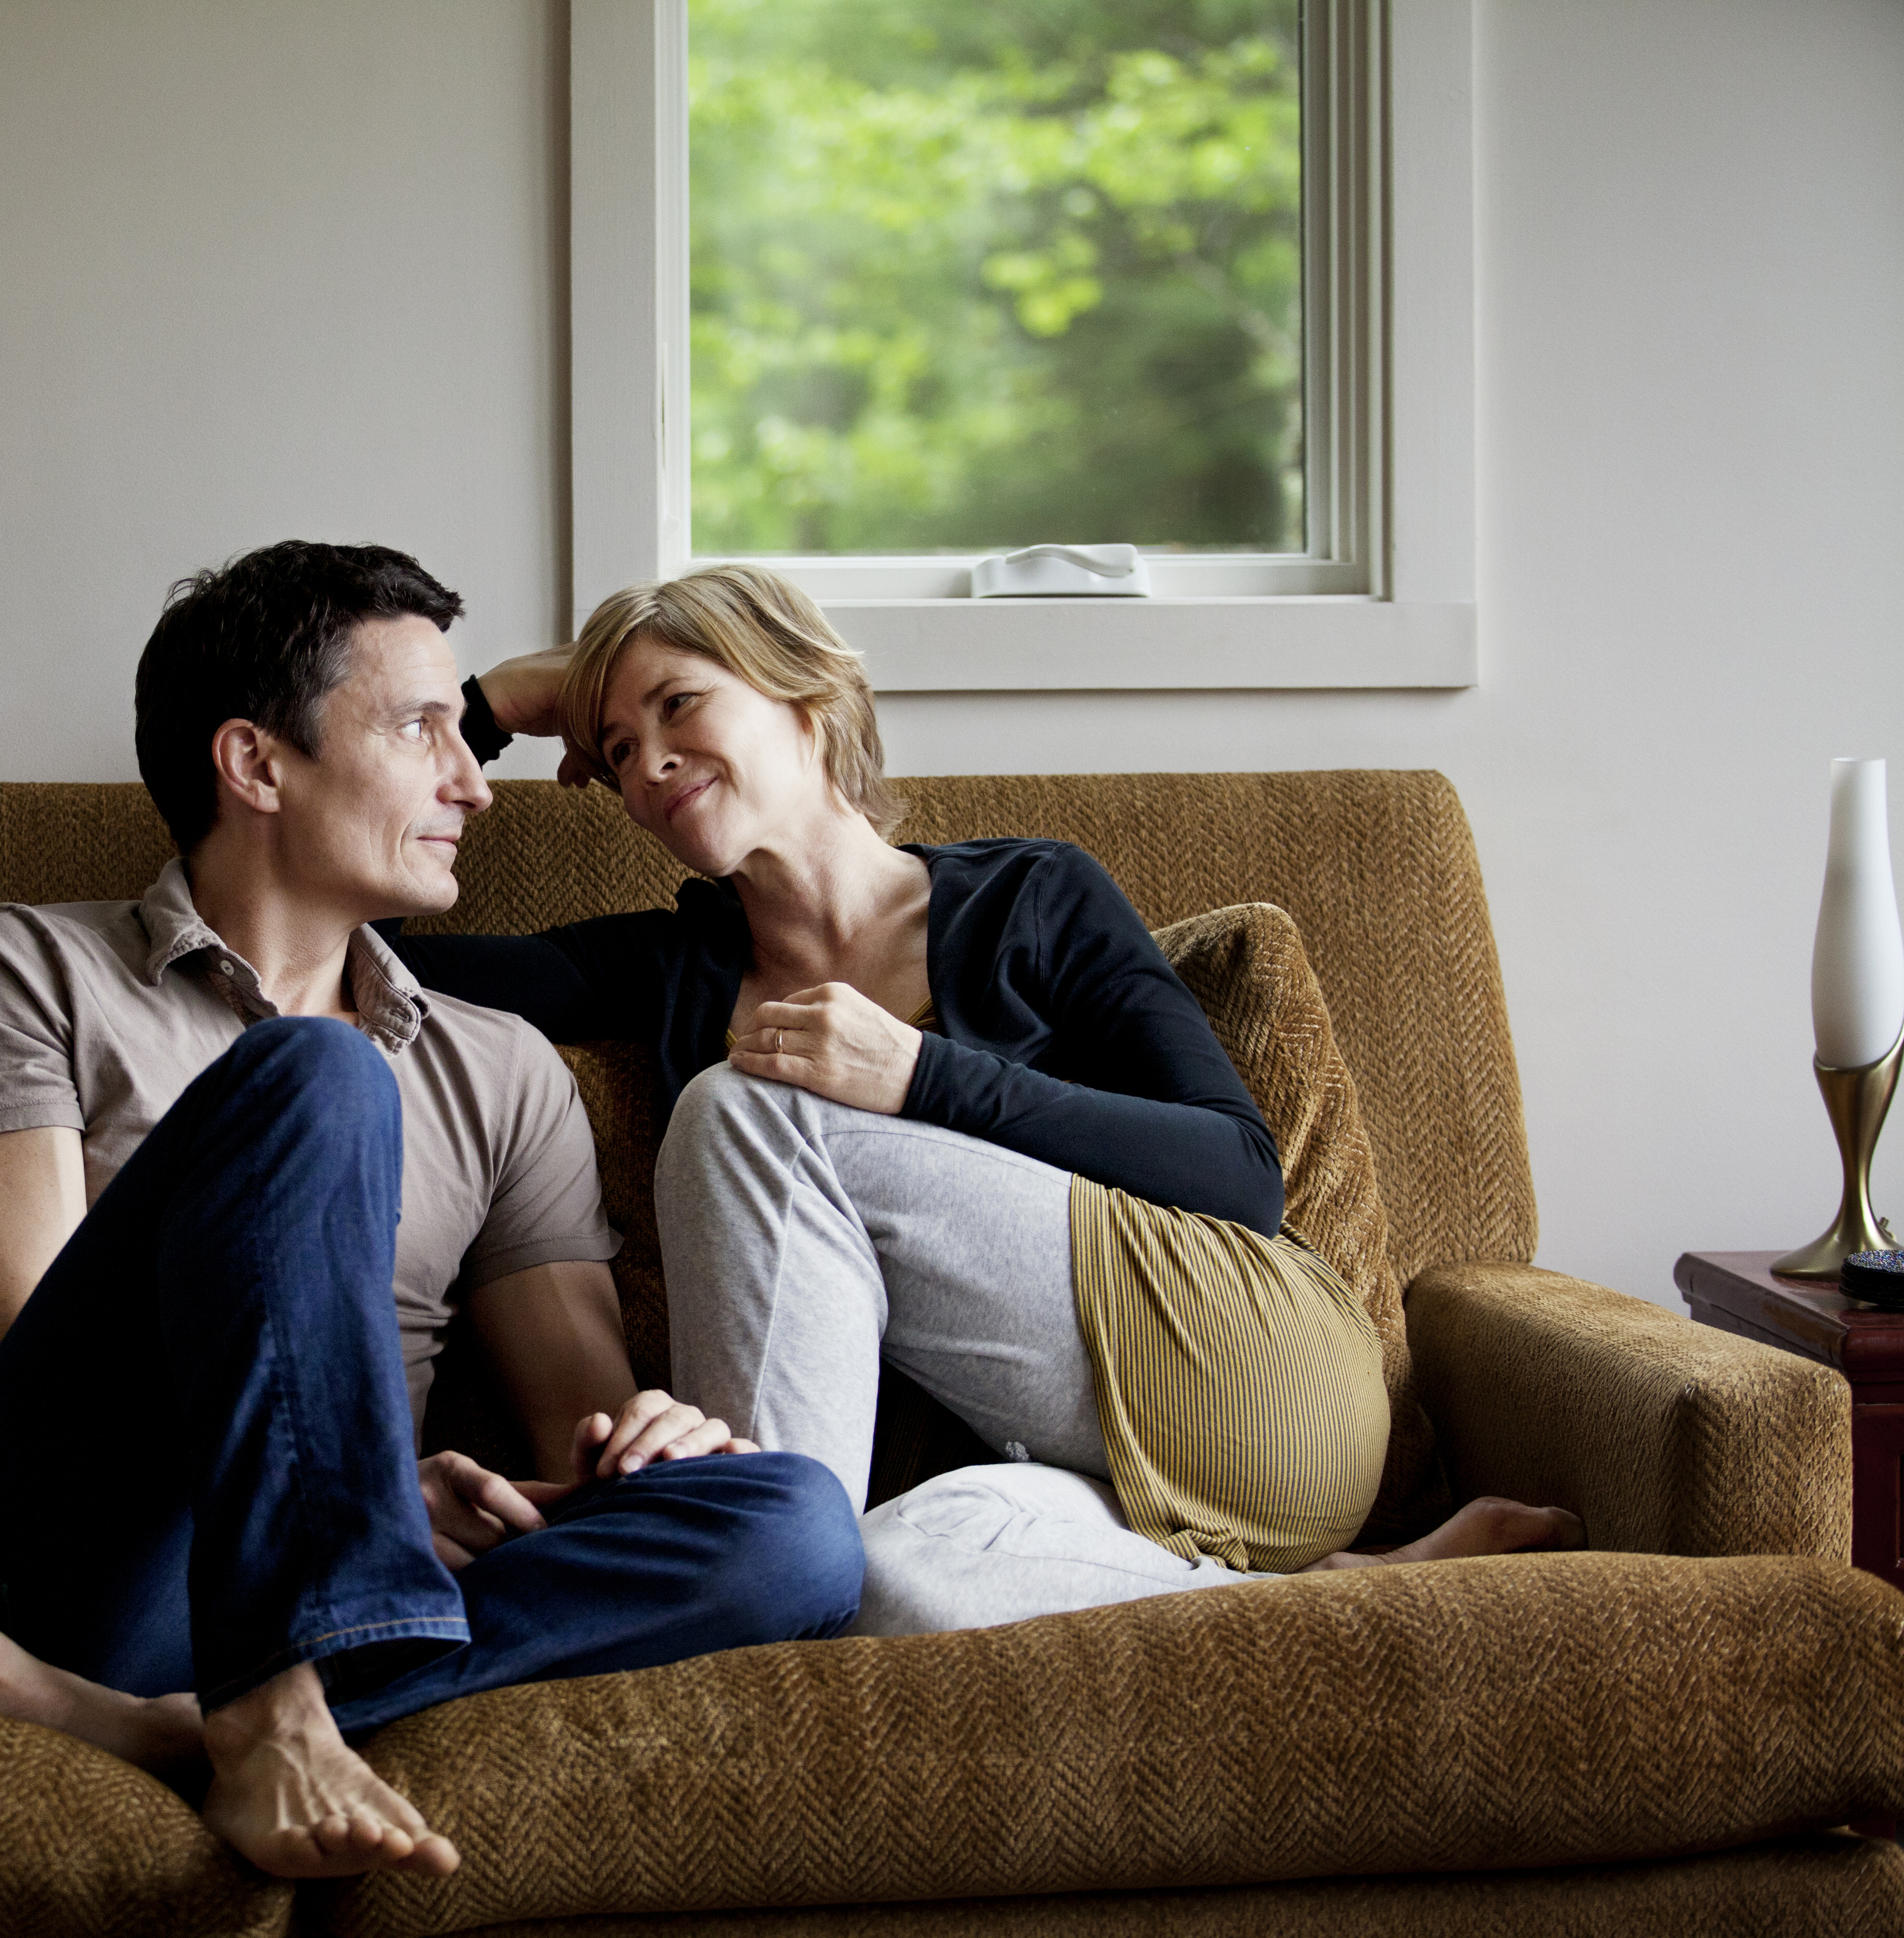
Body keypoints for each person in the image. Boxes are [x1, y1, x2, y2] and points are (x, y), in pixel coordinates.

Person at [0, 541, 861, 1883]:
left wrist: (645, 1445)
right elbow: (7, 1353)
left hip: (324, 1600)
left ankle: (175, 1730)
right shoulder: (26, 971)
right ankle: (262, 1711)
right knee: (319, 1077)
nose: (471, 784)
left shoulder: (497, 1069)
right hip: (43, 1560)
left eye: (468, 730)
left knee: (795, 1523)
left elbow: (569, 1440)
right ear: (258, 765)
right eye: (421, 729)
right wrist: (360, 1482)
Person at [389, 562, 1583, 1636]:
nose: (646, 761)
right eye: (612, 742)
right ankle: (1339, 1593)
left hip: (1251, 1365)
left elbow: (1238, 1173)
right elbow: (375, 942)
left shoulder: (1034, 895)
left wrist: (919, 1076)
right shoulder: (667, 966)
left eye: (679, 704)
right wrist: (495, 703)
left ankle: (731, 1555)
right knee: (883, 1580)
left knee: (741, 1105)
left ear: (805, 696)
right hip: (1097, 1478)